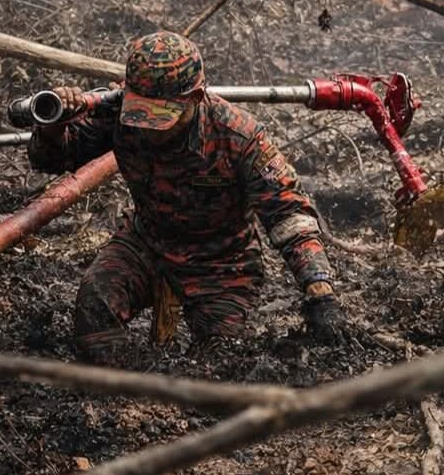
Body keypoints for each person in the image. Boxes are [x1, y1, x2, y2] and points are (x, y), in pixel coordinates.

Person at [27, 31, 347, 362]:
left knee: (223, 361)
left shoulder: (238, 136)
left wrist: (319, 289)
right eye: (142, 112)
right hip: (146, 242)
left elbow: (287, 212)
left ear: (195, 98)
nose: (149, 126)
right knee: (93, 318)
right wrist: (54, 127)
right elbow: (50, 159)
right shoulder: (118, 116)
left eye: (161, 115)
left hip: (221, 263)